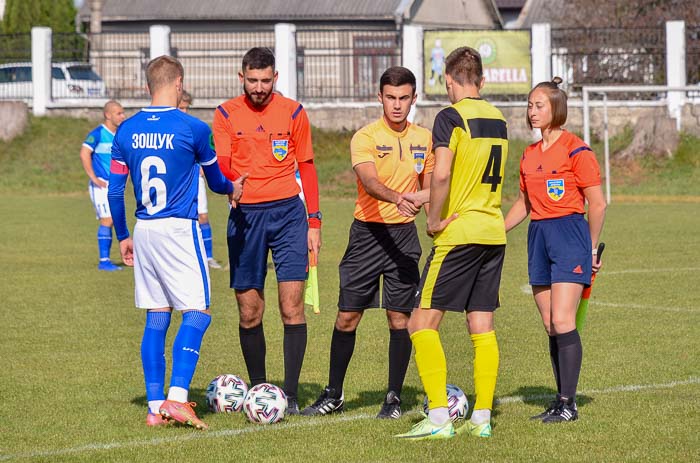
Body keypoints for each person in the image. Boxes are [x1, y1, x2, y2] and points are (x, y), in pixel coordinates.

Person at [107, 55, 246, 430]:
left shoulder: (126, 130)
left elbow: (116, 191)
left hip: (144, 228)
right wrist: (234, 188)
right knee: (198, 312)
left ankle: (156, 408)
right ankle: (179, 398)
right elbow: (216, 182)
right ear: (179, 83)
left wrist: (122, 237)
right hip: (178, 230)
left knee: (156, 316)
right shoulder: (193, 128)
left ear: (148, 86)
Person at [301, 67, 433, 419]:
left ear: (414, 99)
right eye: (391, 97)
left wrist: (435, 218)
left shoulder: (425, 138)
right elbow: (369, 180)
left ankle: (393, 398)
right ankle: (334, 394)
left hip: (405, 238)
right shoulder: (365, 137)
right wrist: (399, 197)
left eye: (404, 98)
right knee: (347, 317)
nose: (397, 105)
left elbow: (433, 185)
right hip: (367, 235)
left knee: (399, 319)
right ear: (380, 97)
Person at [395, 46, 508, 440]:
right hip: (493, 232)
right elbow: (467, 179)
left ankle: (440, 419)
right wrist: (424, 198)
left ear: (447, 80)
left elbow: (442, 176)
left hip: (459, 235)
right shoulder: (499, 118)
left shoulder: (449, 117)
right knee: (482, 326)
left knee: (420, 322)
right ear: (481, 79)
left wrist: (433, 218)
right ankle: (482, 418)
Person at [212, 47, 322, 415]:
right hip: (246, 218)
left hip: (289, 214)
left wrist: (315, 221)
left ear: (276, 78)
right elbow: (223, 163)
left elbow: (306, 167)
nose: (258, 87)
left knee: (291, 308)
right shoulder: (226, 113)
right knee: (249, 311)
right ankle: (259, 388)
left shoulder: (293, 112)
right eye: (252, 80)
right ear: (240, 76)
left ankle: (289, 395)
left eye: (265, 80)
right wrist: (231, 184)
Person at [504, 77, 606, 423]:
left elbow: (598, 204)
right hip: (538, 237)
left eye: (539, 105)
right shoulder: (529, 154)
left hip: (569, 235)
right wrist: (495, 230)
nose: (532, 112)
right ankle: (560, 399)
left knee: (563, 320)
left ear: (556, 108)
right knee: (551, 324)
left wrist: (589, 249)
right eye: (530, 105)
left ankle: (568, 403)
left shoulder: (577, 149)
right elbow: (524, 203)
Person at [178, 90, 224, 269]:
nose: (185, 111)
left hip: (197, 180)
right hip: (178, 181)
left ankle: (208, 257)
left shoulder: (196, 127)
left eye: (187, 108)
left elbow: (209, 151)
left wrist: (204, 167)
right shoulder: (171, 127)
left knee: (203, 217)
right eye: (181, 107)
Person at [79, 100, 126, 271]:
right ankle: (104, 261)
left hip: (114, 186)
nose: (123, 116)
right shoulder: (98, 134)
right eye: (119, 113)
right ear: (108, 115)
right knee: (108, 219)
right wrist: (93, 177)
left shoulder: (120, 135)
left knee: (114, 220)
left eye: (123, 112)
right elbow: (84, 153)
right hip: (100, 185)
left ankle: (108, 259)